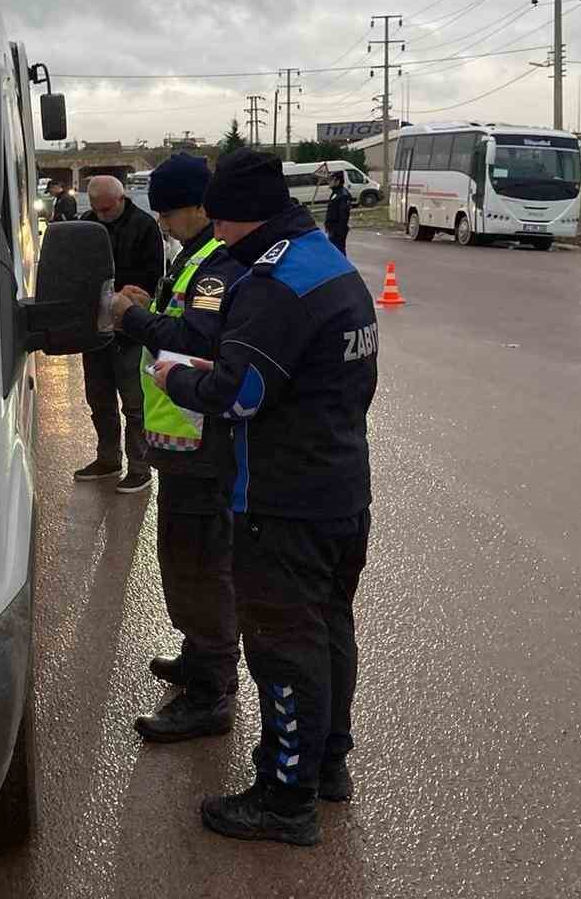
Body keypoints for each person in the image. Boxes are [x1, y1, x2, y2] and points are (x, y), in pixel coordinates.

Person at [150, 148, 378, 847]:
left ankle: (285, 798)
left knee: (282, 648)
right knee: (330, 628)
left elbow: (240, 394)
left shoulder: (273, 284)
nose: (212, 236)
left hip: (281, 499)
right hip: (340, 485)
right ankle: (327, 764)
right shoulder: (331, 264)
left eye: (216, 222)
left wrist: (174, 378)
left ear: (234, 216)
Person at [104, 153, 246, 742]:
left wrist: (131, 317)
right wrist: (148, 303)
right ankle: (199, 654)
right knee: (183, 556)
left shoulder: (215, 267)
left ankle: (212, 690)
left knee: (199, 564)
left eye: (168, 212)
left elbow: (192, 340)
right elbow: (177, 321)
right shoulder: (192, 257)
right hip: (182, 441)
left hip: (203, 445)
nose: (161, 222)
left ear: (199, 207)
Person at [75, 175, 165, 494]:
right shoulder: (86, 224)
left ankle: (140, 467)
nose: (101, 214)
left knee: (134, 403)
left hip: (130, 330)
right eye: (96, 209)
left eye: (106, 208)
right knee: (99, 399)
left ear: (121, 198)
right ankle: (107, 458)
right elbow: (78, 270)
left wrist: (128, 293)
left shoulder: (144, 226)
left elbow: (154, 274)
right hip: (96, 330)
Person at [324, 171, 352, 254]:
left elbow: (343, 215)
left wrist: (338, 231)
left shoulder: (343, 195)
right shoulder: (336, 193)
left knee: (339, 252)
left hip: (337, 230)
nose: (329, 182)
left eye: (332, 180)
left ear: (338, 181)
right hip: (333, 229)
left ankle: (344, 267)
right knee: (334, 252)